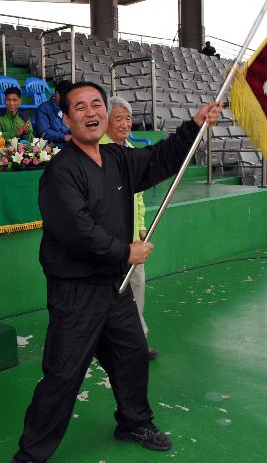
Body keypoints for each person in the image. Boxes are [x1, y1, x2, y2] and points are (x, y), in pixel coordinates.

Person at [12, 81, 222, 462]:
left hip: (115, 287)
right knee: (62, 376)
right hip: (77, 293)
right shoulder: (60, 171)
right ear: (65, 119)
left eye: (97, 104)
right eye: (80, 107)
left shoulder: (117, 159)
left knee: (132, 356)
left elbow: (161, 158)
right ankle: (31, 454)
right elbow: (76, 231)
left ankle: (133, 421)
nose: (91, 112)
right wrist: (125, 250)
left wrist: (194, 124)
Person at [99, 95, 157, 360]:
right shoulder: (96, 151)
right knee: (102, 293)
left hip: (134, 238)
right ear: (106, 122)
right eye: (118, 119)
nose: (125, 124)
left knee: (137, 287)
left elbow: (139, 195)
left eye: (128, 119)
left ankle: (137, 342)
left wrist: (142, 226)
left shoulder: (131, 151)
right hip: (108, 241)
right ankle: (99, 344)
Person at [34, 80, 72, 145]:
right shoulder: (43, 109)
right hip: (51, 148)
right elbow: (43, 132)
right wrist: (64, 137)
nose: (67, 100)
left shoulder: (71, 108)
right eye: (65, 96)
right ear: (57, 94)